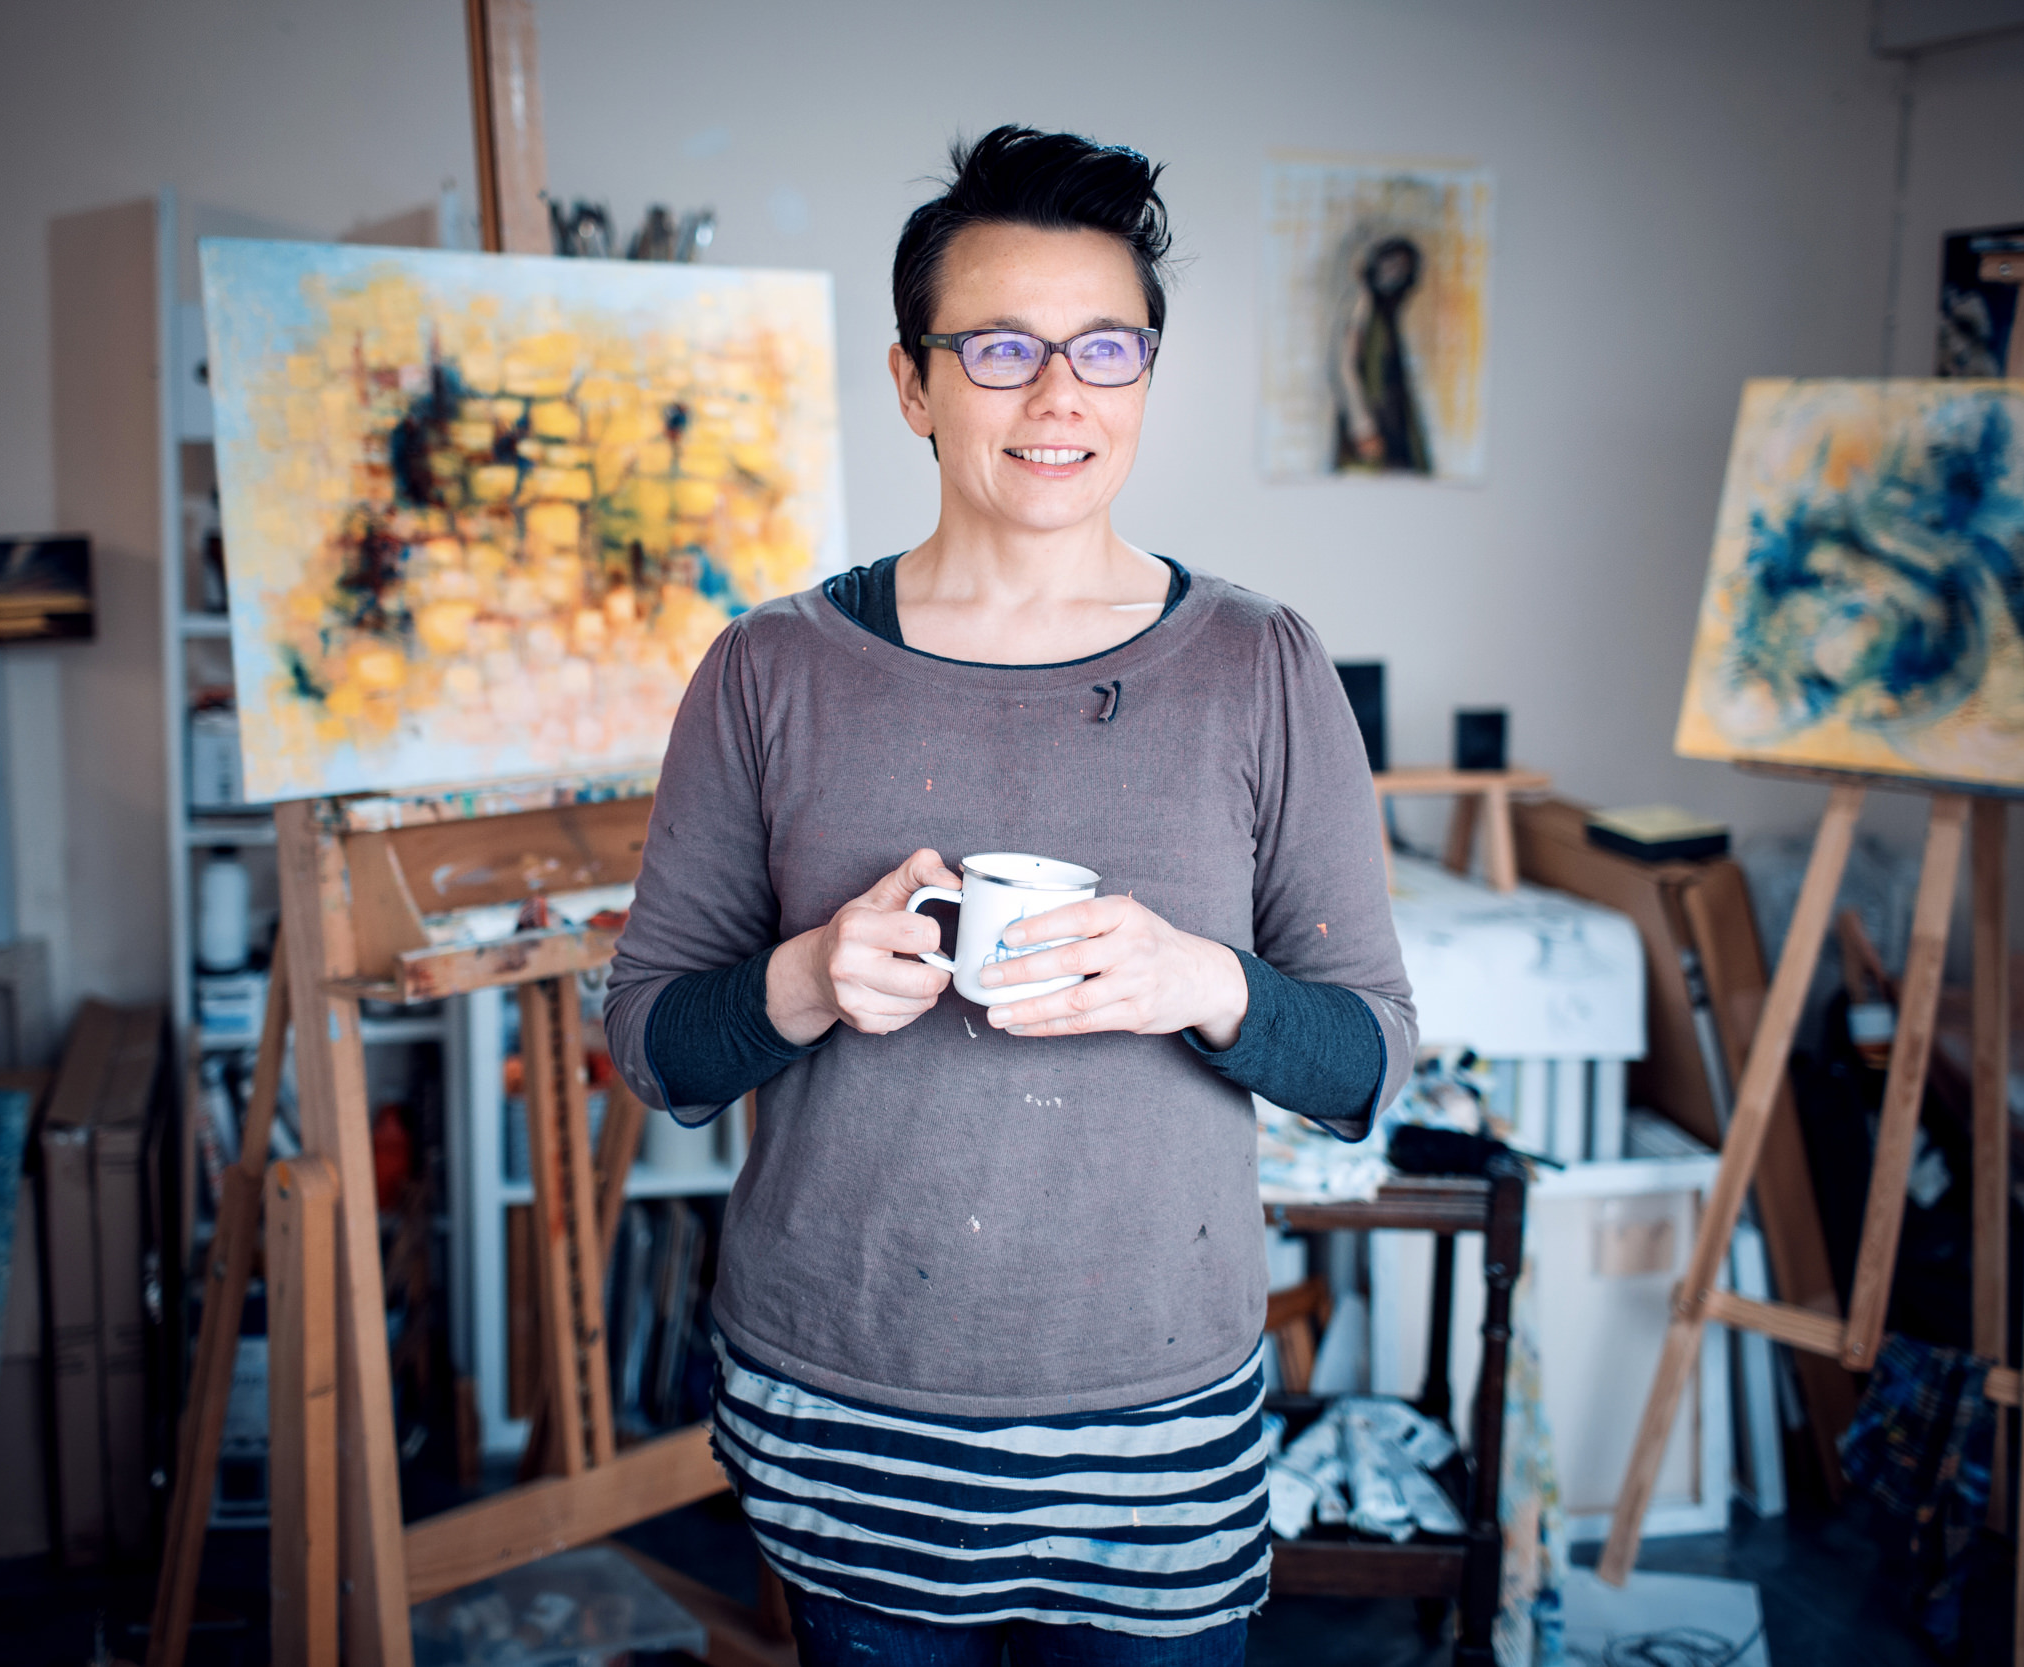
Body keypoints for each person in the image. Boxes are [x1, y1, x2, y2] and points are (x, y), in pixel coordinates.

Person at [605, 125, 1416, 1667]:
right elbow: (654, 1044)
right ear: (913, 384)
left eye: (1105, 348)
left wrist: (1205, 983)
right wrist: (807, 979)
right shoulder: (769, 668)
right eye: (1001, 348)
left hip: (1157, 1421)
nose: (1060, 395)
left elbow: (1370, 1059)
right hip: (845, 1407)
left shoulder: (1262, 662)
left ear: (1146, 378)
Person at [1332, 234, 1431, 474]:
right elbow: (1343, 365)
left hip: (1394, 419)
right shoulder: (1361, 300)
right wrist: (1362, 426)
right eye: (1389, 264)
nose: (1393, 273)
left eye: (1401, 268)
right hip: (1370, 424)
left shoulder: (1390, 310)